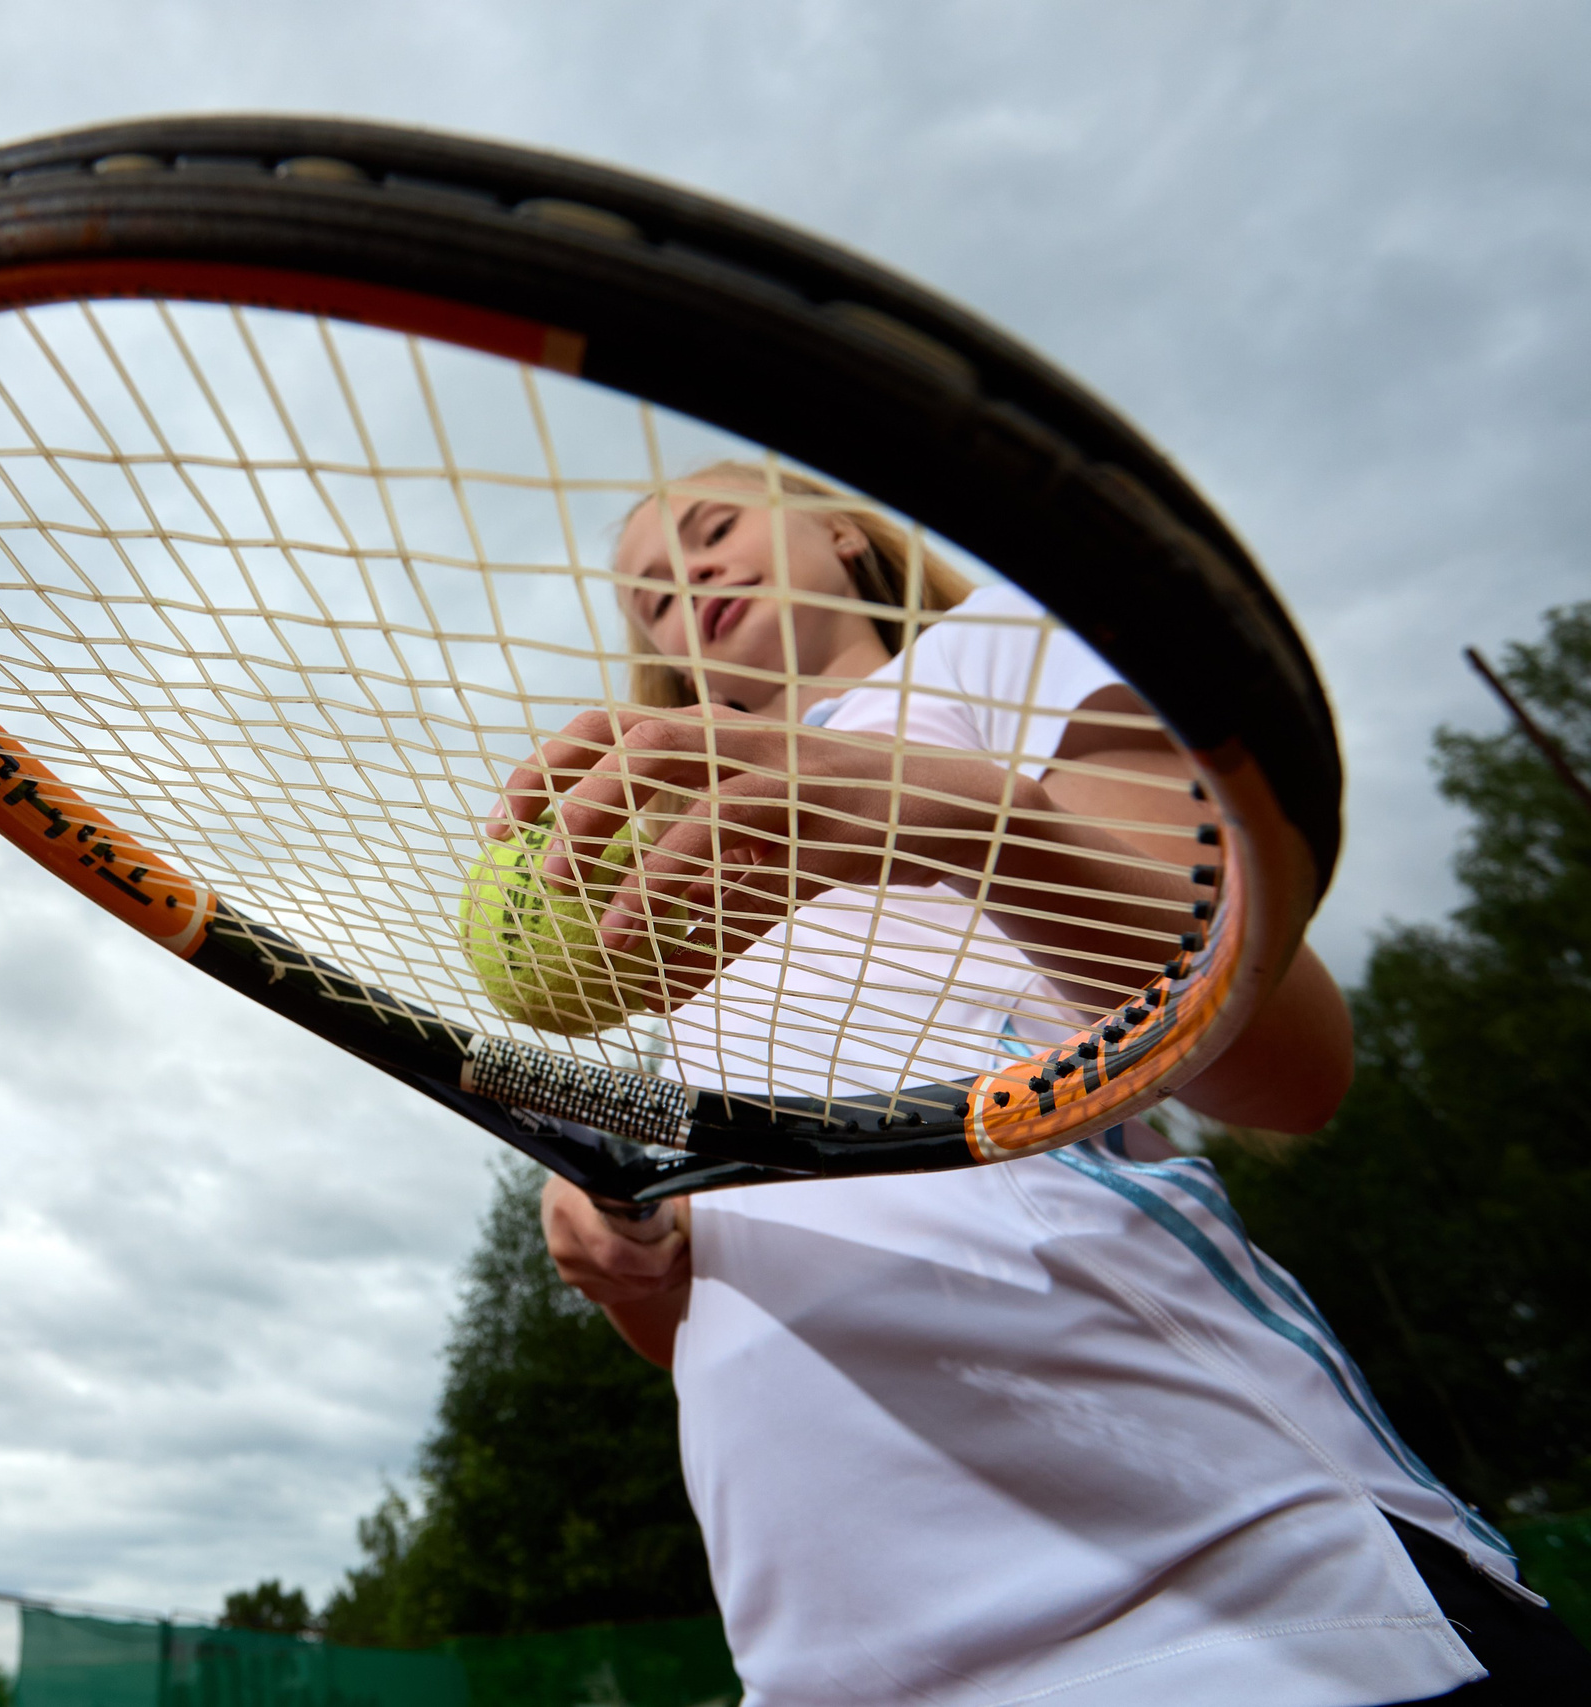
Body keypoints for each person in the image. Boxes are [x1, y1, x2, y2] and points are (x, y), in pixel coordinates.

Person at [506, 463, 1591, 1705]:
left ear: (850, 541)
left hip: (1238, 1601)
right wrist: (627, 1241)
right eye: (648, 593)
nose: (683, 581)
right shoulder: (685, 888)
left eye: (710, 535)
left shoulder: (992, 649)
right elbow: (715, 1314)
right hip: (823, 1657)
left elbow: (1291, 1064)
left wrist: (963, 823)